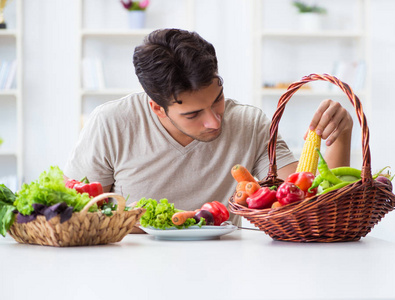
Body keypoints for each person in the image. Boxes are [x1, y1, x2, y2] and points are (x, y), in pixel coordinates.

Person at [64, 28, 353, 232]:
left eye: (218, 100)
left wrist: (341, 136)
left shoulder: (250, 124)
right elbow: (78, 215)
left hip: (229, 268)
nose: (214, 122)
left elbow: (312, 206)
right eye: (193, 114)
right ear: (156, 107)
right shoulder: (112, 122)